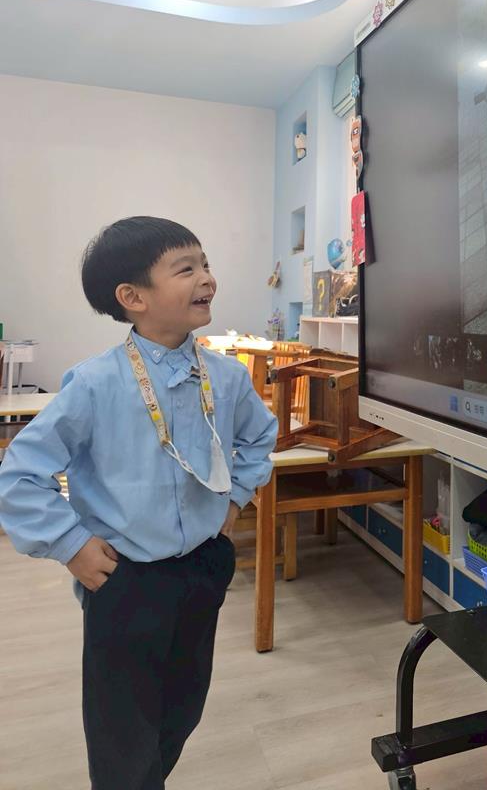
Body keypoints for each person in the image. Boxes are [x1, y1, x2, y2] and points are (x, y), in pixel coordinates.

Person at [0, 217, 278, 790]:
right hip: (124, 579)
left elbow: (259, 438)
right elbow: (20, 473)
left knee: (183, 705)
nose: (207, 278)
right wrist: (71, 544)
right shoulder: (95, 385)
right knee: (121, 732)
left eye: (206, 264)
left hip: (203, 566)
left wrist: (235, 500)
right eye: (186, 269)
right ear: (133, 297)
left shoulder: (226, 378)